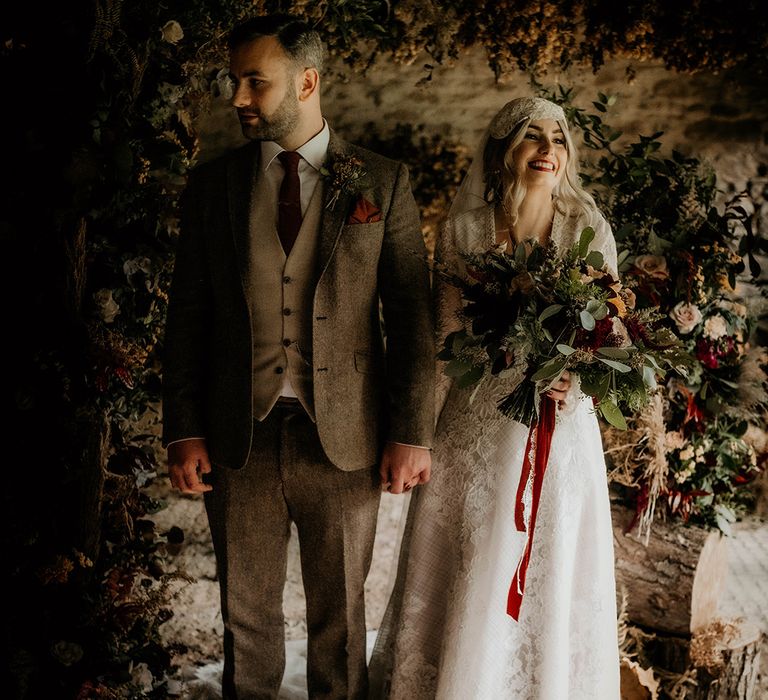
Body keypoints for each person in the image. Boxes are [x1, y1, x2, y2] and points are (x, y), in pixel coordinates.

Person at [161, 14, 435, 699]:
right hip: (238, 436)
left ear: (307, 82)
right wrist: (183, 426)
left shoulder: (383, 181)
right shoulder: (213, 186)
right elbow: (188, 314)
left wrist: (411, 431)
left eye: (257, 81)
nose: (239, 98)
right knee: (243, 619)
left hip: (343, 441)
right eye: (236, 81)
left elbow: (410, 318)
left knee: (340, 623)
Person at [368, 96, 620, 699]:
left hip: (558, 428)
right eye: (532, 138)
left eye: (557, 139)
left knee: (548, 565)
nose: (547, 150)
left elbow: (612, 332)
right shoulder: (464, 231)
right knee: (471, 557)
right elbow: (442, 341)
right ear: (505, 150)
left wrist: (576, 375)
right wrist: (414, 434)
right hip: (477, 418)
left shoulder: (588, 229)